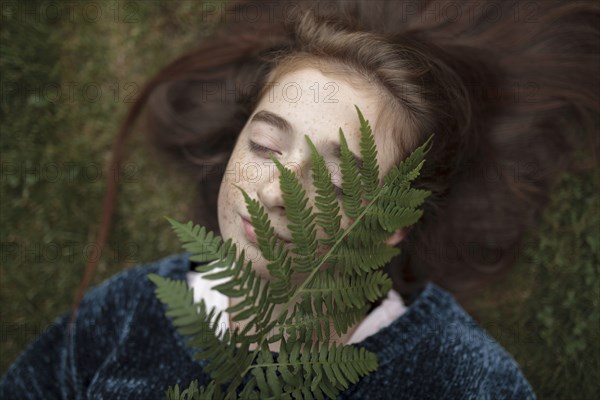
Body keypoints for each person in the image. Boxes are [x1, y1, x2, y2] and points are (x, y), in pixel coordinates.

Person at [2, 1, 598, 398]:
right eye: (264, 146)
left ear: (395, 222)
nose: (272, 195)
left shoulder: (465, 379)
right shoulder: (128, 312)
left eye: (337, 184)